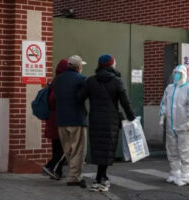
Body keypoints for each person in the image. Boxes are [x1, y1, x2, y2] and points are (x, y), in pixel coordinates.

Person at [79, 54, 136, 192]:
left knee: (99, 148)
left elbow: (79, 97)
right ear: (111, 65)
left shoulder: (90, 81)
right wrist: (132, 117)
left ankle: (100, 177)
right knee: (107, 148)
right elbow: (125, 102)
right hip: (111, 120)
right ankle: (101, 178)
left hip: (95, 120)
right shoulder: (117, 81)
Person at [159, 65, 189, 186]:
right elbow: (164, 103)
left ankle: (186, 175)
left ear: (184, 74)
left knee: (185, 149)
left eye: (179, 73)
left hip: (184, 126)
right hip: (171, 125)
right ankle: (175, 172)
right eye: (175, 73)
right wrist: (162, 116)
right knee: (172, 149)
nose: (176, 75)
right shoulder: (169, 88)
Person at [54, 55, 88, 188]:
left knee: (67, 149)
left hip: (61, 119)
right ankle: (74, 177)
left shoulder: (58, 80)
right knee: (78, 149)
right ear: (79, 67)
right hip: (77, 118)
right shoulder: (82, 79)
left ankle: (73, 174)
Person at [42, 59, 68, 180]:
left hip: (53, 119)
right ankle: (51, 166)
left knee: (57, 146)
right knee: (64, 146)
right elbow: (53, 100)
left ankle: (57, 172)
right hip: (58, 118)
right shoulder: (60, 81)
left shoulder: (55, 80)